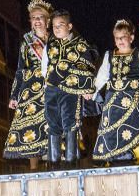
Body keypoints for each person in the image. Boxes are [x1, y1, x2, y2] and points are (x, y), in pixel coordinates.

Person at [92, 19, 139, 164]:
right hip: (113, 104)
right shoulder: (109, 55)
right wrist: (91, 92)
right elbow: (102, 77)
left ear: (131, 37)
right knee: (112, 132)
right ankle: (116, 160)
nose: (120, 41)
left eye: (123, 37)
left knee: (135, 128)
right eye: (117, 38)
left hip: (133, 103)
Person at [42, 10, 98, 167]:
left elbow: (87, 65)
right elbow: (46, 66)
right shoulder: (51, 45)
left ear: (70, 26)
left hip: (70, 89)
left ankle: (71, 161)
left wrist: (87, 88)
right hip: (52, 88)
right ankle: (53, 162)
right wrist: (46, 84)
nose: (57, 28)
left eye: (61, 25)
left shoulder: (80, 44)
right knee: (51, 121)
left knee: (70, 122)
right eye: (54, 26)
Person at [3, 0, 53, 170]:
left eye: (40, 17)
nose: (37, 21)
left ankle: (54, 163)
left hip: (52, 85)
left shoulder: (56, 39)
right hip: (31, 89)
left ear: (47, 20)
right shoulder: (27, 42)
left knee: (53, 124)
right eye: (34, 18)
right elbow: (20, 69)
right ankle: (34, 168)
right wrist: (15, 95)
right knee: (32, 127)